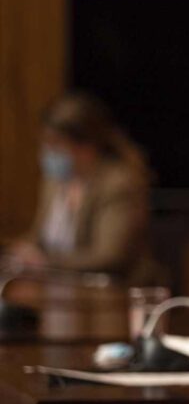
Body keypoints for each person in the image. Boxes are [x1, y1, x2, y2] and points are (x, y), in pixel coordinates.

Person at [4, 92, 155, 284]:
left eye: (56, 144)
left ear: (86, 146)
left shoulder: (118, 184)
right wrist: (19, 251)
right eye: (46, 143)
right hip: (58, 287)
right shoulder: (54, 181)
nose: (48, 152)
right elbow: (40, 236)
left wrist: (45, 261)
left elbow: (110, 257)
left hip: (112, 294)